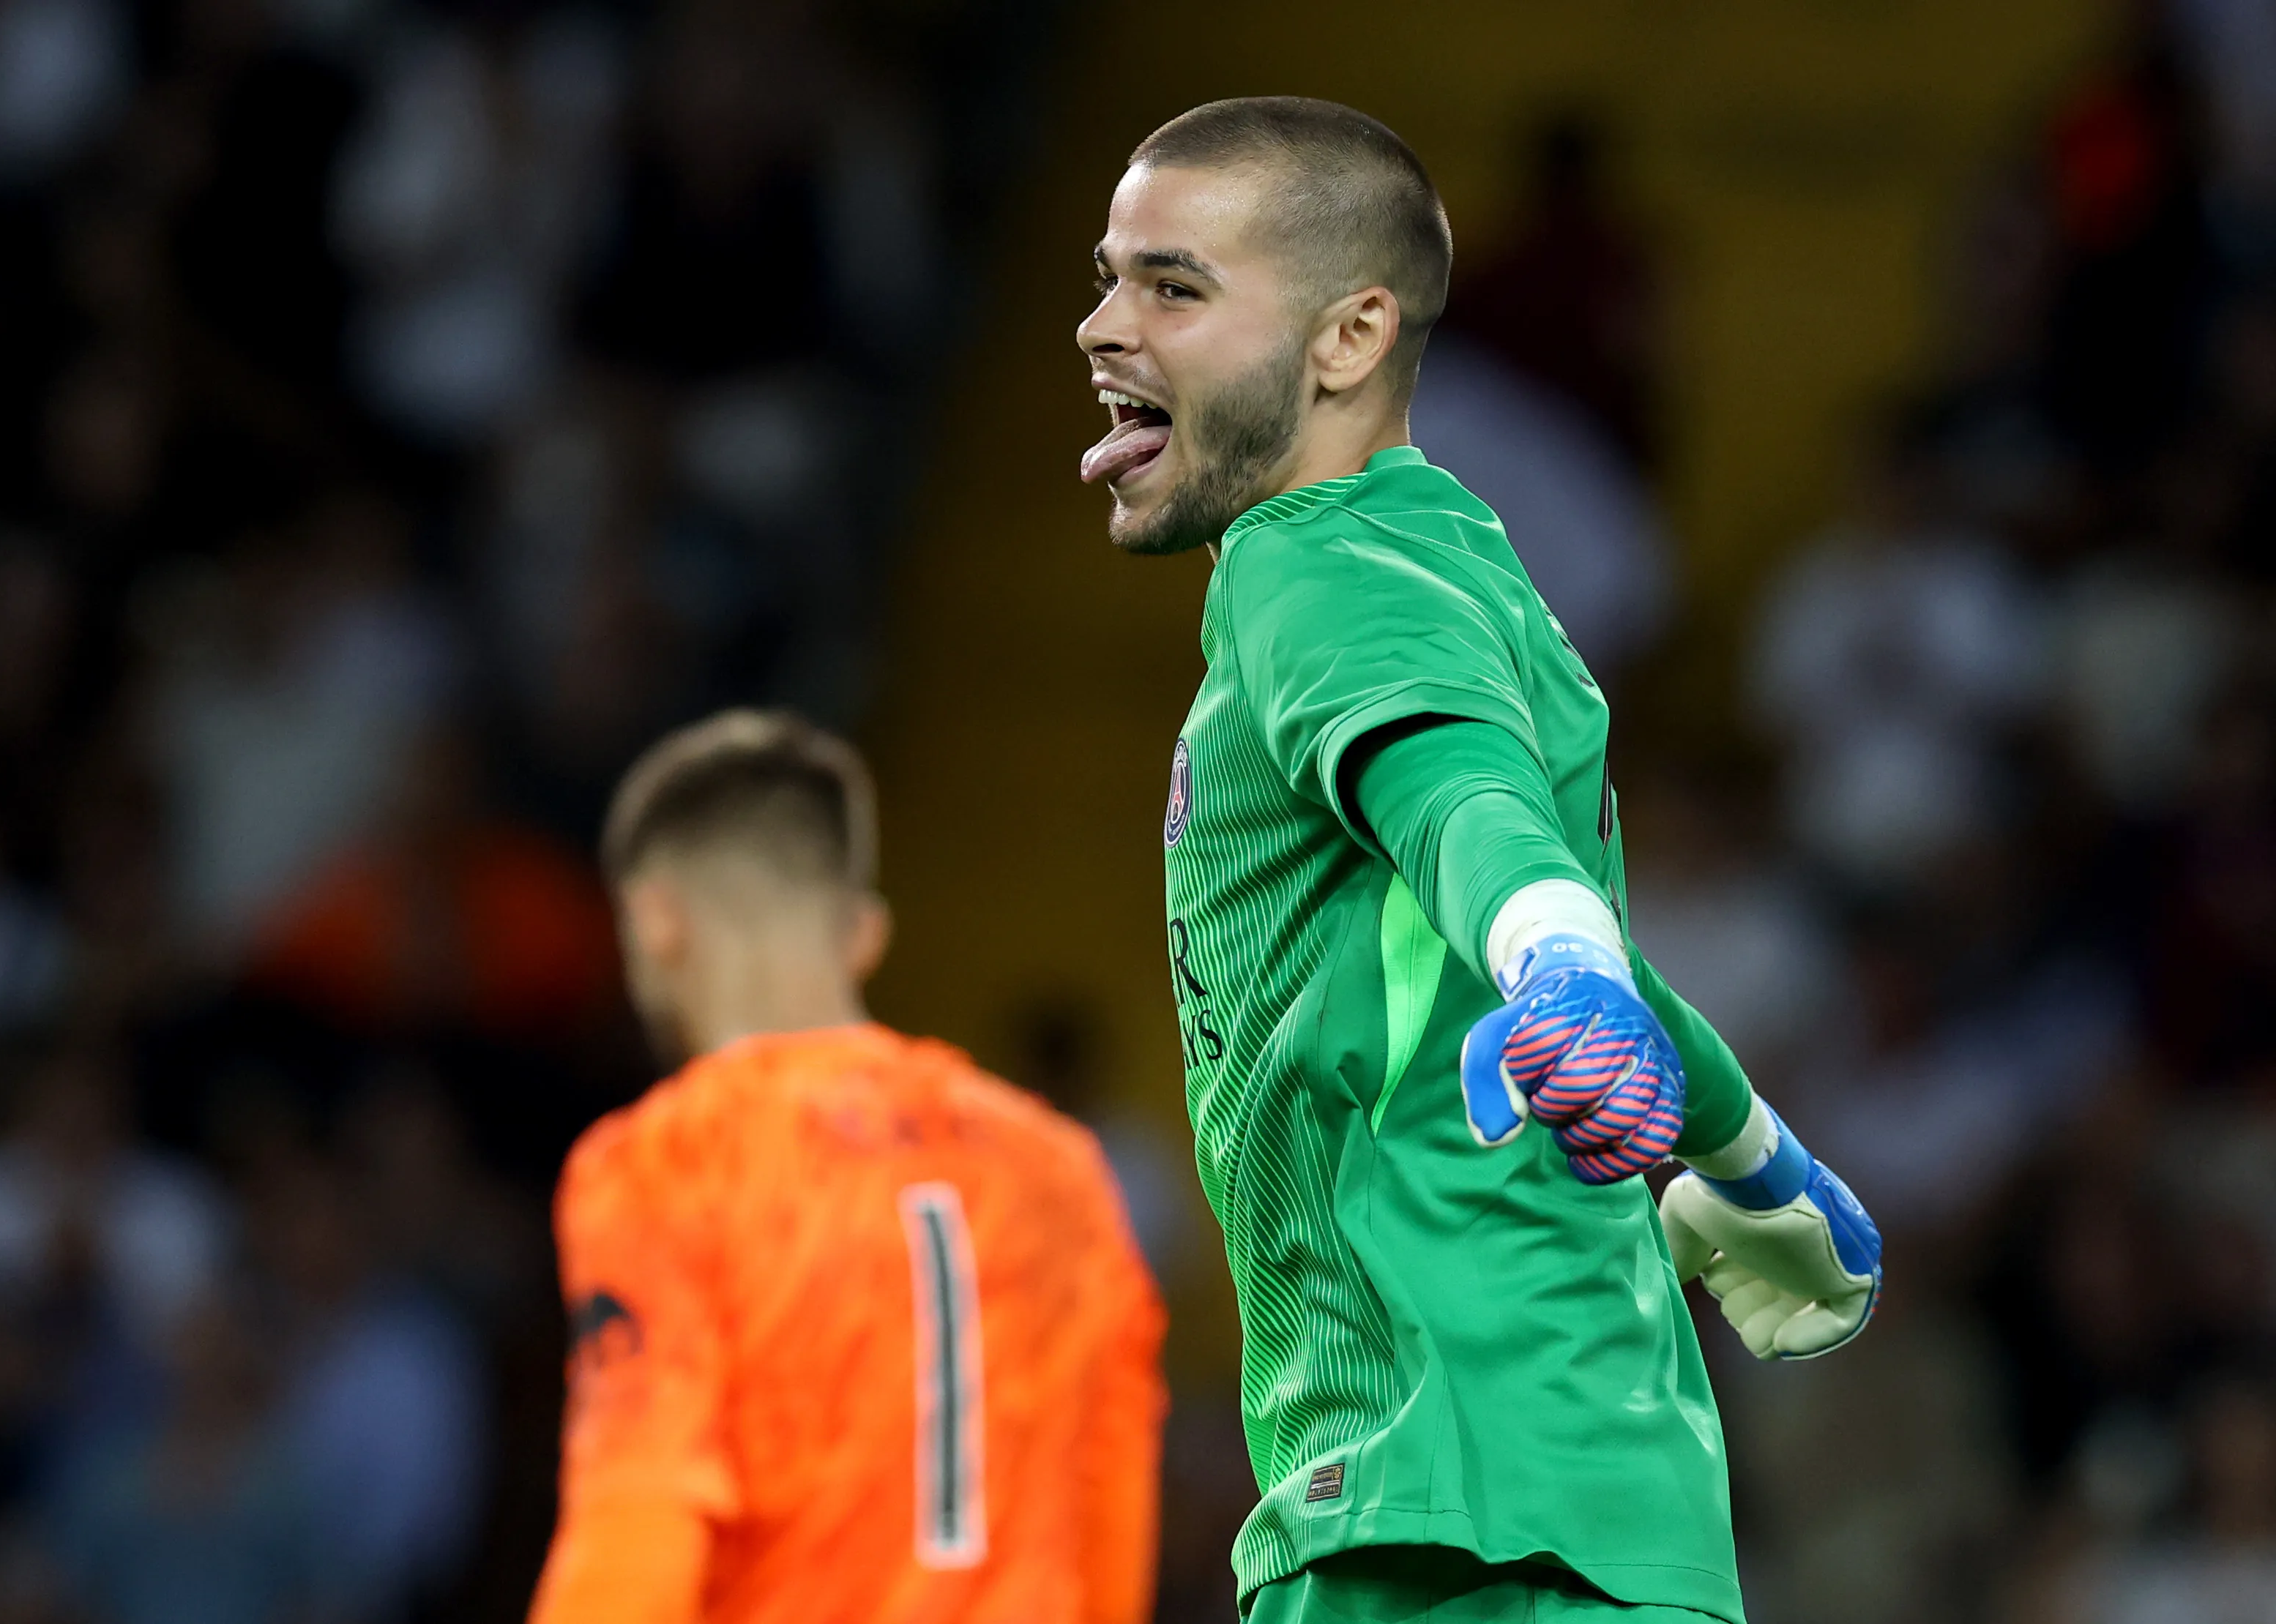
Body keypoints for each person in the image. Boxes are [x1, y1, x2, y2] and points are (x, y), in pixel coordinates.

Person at [1075, 97, 1883, 1624]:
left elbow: (1471, 821)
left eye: (1171, 286)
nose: (1103, 324)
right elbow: (1531, 899)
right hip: (1603, 1510)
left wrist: (1562, 969)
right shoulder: (1462, 565)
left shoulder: (1309, 566)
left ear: (1345, 337)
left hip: (1435, 1526)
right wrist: (1742, 1146)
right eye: (1107, 277)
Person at [527, 709, 1166, 1624]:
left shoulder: (664, 1162)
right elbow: (1107, 1531)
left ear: (656, 920)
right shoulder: (1061, 1168)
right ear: (862, 934)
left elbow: (638, 1530)